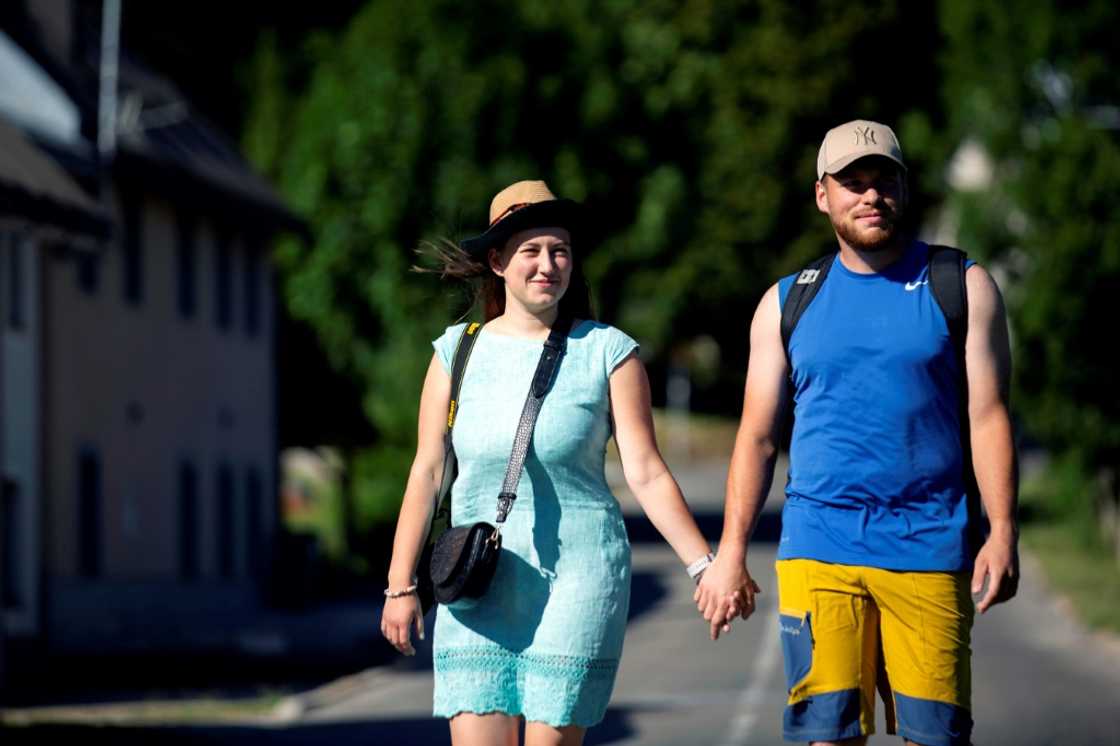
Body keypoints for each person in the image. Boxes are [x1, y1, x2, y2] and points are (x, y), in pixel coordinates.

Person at [695, 120, 1019, 746]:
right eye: (853, 183)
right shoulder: (788, 302)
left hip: (928, 547)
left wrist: (1002, 531)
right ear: (824, 196)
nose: (870, 196)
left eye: (883, 181)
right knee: (827, 738)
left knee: (938, 737)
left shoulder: (962, 285)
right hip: (819, 548)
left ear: (904, 187)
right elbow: (757, 438)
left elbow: (989, 416)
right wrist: (731, 552)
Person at [381, 180, 715, 746]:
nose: (547, 264)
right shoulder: (455, 352)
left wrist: (703, 565)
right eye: (530, 251)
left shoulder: (608, 352)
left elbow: (647, 471)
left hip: (578, 582)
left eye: (558, 250)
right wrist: (399, 584)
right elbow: (428, 471)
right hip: (477, 584)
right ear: (498, 262)